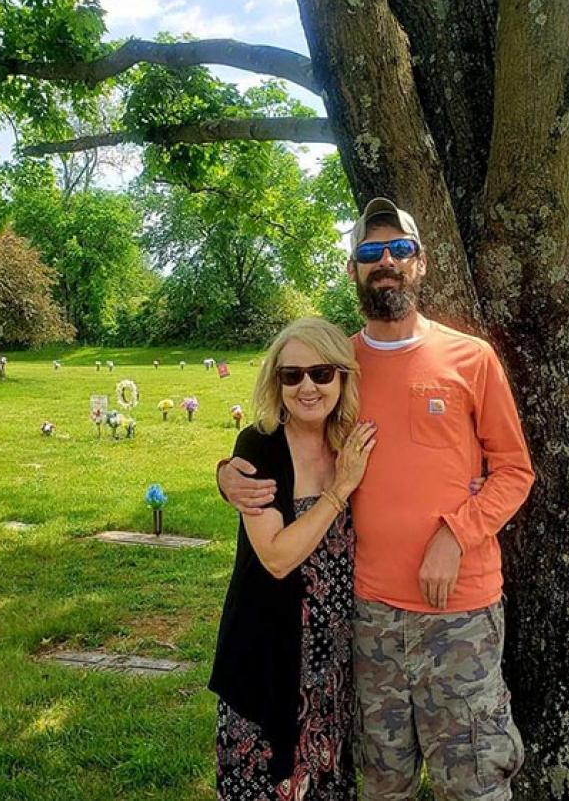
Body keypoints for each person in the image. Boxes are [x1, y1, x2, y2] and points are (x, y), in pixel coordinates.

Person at [219, 198, 535, 801]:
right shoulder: (335, 364)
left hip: (459, 613)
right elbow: (281, 434)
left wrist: (456, 535)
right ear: (353, 269)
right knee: (382, 782)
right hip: (368, 617)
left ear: (420, 263)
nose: (385, 261)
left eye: (399, 249)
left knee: (472, 783)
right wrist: (225, 474)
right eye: (371, 251)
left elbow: (515, 471)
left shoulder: (472, 358)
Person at [208, 317, 377, 801]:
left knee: (327, 784)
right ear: (276, 382)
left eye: (321, 373)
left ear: (342, 377)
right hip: (269, 660)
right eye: (291, 375)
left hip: (334, 663)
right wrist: (339, 491)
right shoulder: (258, 446)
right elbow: (277, 558)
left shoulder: (349, 443)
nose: (307, 386)